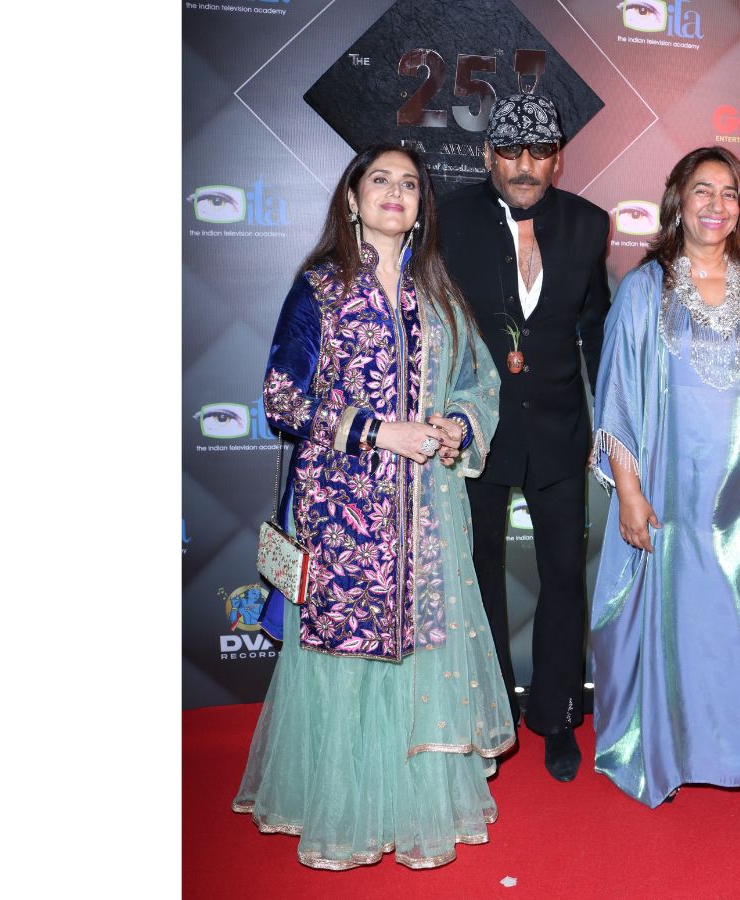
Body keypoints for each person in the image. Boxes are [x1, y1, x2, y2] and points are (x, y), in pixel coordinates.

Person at [232, 143, 515, 869]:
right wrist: (378, 431)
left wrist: (455, 427)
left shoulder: (436, 292)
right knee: (348, 655)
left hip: (427, 519)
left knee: (420, 656)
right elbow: (282, 399)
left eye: (410, 184)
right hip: (341, 515)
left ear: (421, 207)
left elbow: (478, 382)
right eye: (380, 180)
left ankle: (411, 808)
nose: (396, 192)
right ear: (352, 198)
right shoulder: (322, 288)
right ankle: (347, 815)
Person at [588, 146, 740, 808]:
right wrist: (629, 492)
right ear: (678, 201)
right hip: (669, 494)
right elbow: (617, 396)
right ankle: (668, 753)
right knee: (674, 625)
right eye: (703, 190)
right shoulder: (644, 289)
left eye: (729, 193)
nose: (716, 205)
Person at [437, 93, 610, 782]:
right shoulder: (447, 218)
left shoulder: (588, 224)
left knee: (565, 576)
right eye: (510, 151)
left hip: (562, 429)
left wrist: (608, 423)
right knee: (479, 576)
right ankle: (490, 718)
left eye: (539, 152)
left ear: (557, 158)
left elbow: (595, 329)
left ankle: (556, 716)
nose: (524, 166)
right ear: (488, 154)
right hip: (475, 430)